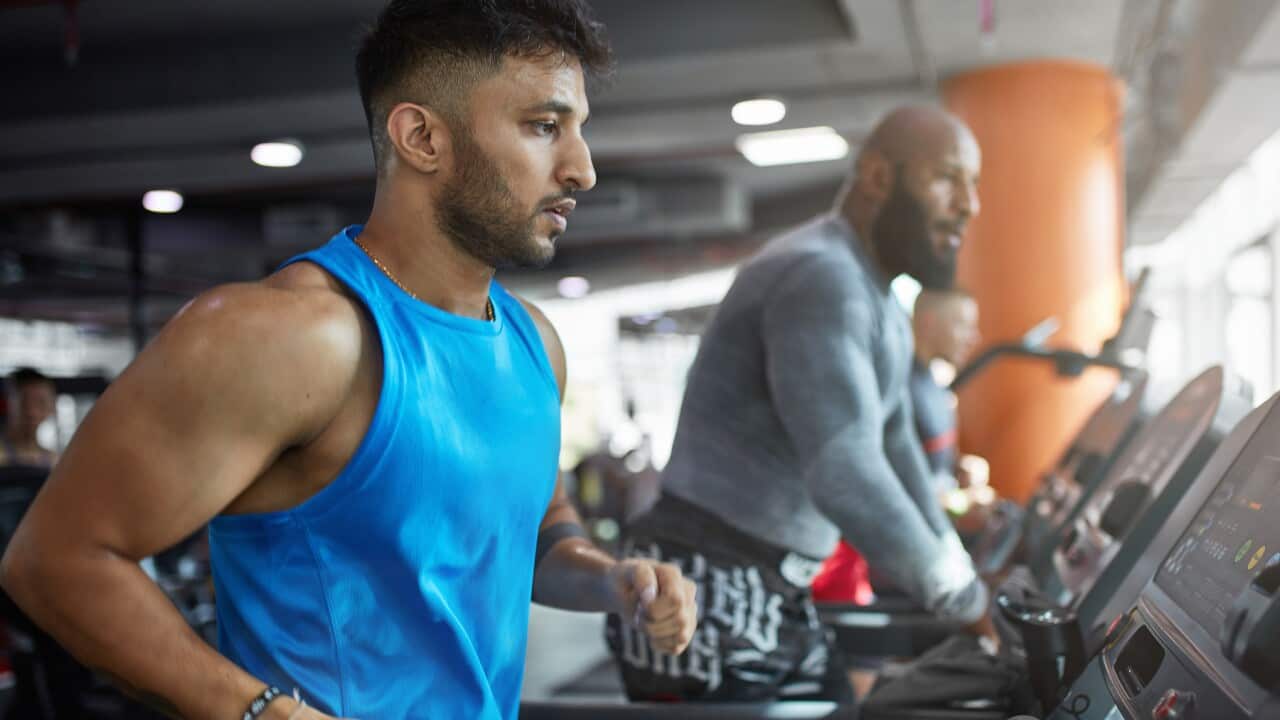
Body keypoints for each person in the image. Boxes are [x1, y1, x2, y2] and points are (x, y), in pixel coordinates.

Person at [0, 2, 697, 719]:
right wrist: (268, 712)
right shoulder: (291, 336)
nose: (581, 168)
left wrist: (613, 580)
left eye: (579, 129)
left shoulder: (533, 344)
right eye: (544, 127)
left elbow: (539, 532)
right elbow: (53, 562)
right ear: (422, 137)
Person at [607, 105, 993, 703]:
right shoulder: (821, 276)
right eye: (947, 176)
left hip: (767, 583)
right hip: (700, 585)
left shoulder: (879, 301)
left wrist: (960, 574)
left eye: (973, 184)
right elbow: (847, 472)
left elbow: (896, 452)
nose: (969, 203)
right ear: (877, 178)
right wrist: (963, 600)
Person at [0, 368, 56, 469]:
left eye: (41, 403)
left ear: (51, 407)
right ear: (7, 405)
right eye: (24, 403)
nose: (32, 412)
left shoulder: (55, 461)